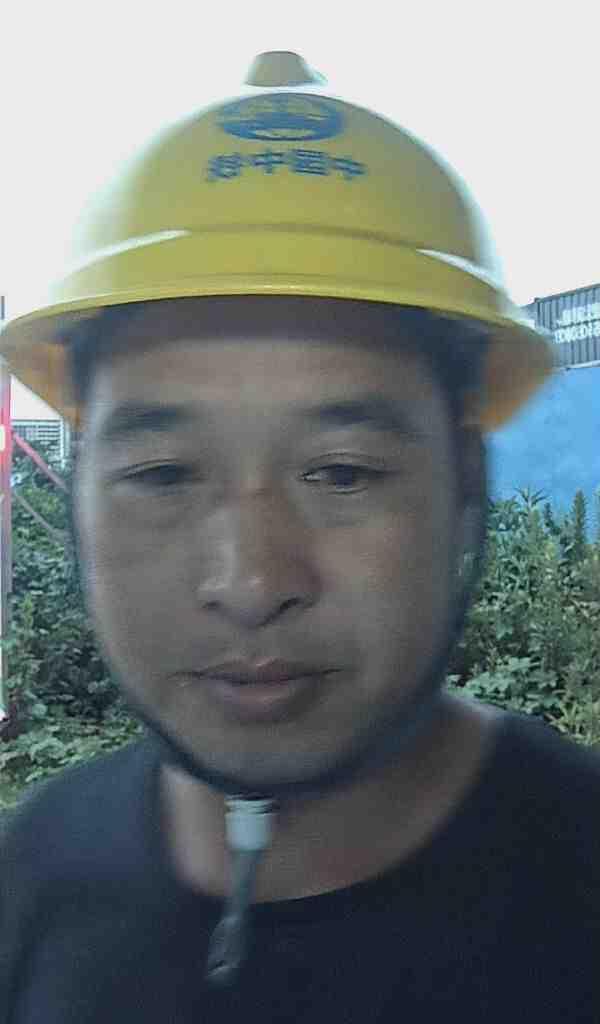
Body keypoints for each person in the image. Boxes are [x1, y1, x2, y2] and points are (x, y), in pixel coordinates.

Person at [1, 51, 598, 1023]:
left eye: (343, 472)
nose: (251, 582)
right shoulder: (33, 874)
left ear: (465, 486)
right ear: (79, 496)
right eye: (163, 474)